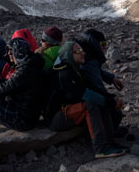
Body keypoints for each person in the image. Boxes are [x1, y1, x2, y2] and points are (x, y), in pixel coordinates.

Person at [49, 31, 128, 159]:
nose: (83, 53)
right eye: (79, 51)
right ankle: (100, 149)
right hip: (57, 117)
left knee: (101, 102)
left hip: (69, 111)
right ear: (69, 54)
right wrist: (111, 102)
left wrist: (110, 98)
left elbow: (91, 89)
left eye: (82, 50)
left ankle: (109, 142)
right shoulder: (64, 74)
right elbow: (85, 94)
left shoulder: (76, 69)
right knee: (91, 104)